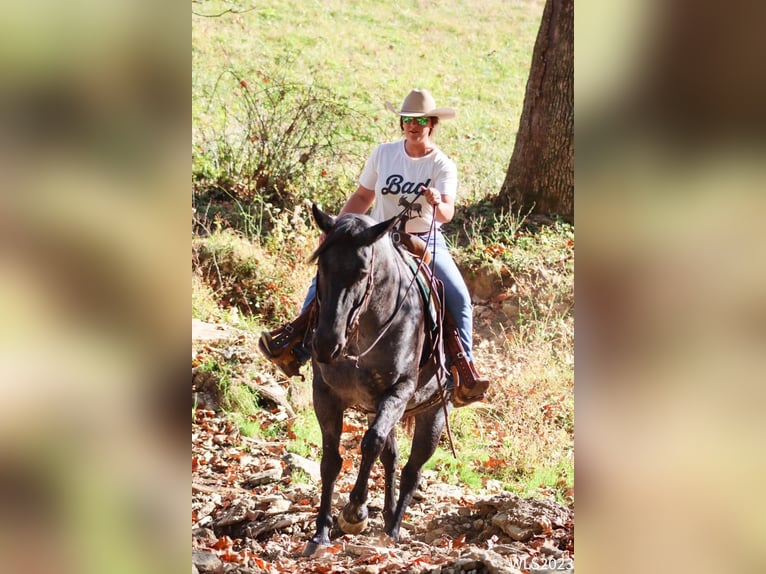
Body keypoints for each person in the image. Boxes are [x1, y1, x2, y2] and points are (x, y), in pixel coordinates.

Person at [259, 88, 489, 405]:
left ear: (432, 123)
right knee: (329, 277)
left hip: (423, 239)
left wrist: (437, 202)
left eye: (420, 120)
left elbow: (447, 213)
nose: (413, 125)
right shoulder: (384, 154)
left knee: (459, 297)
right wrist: (338, 228)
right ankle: (298, 342)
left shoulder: (442, 165)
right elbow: (362, 197)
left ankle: (462, 372)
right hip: (378, 236)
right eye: (407, 119)